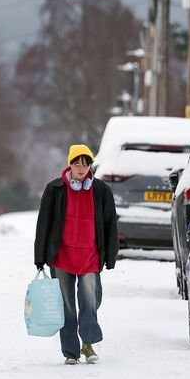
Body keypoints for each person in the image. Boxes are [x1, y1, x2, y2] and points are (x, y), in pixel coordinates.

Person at [33, 144, 118, 365]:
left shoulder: (101, 190)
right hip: (62, 257)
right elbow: (44, 224)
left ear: (91, 166)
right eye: (77, 163)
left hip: (90, 257)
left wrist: (110, 255)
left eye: (86, 163)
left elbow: (110, 225)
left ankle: (88, 344)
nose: (81, 168)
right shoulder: (55, 189)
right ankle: (70, 351)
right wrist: (40, 257)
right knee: (67, 306)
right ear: (69, 164)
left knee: (90, 302)